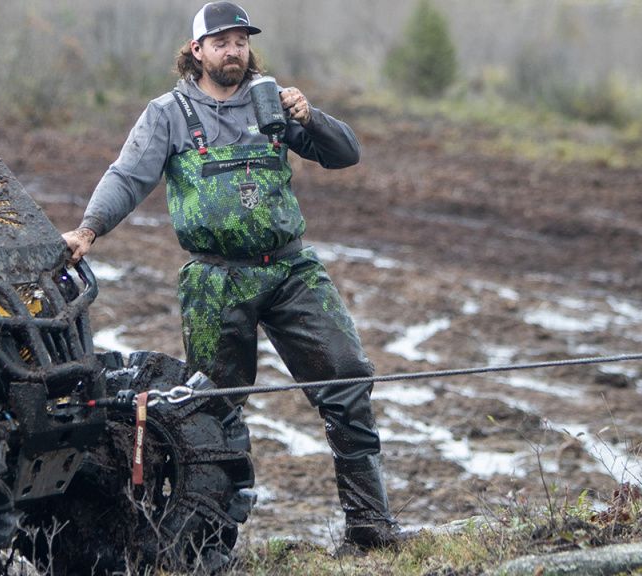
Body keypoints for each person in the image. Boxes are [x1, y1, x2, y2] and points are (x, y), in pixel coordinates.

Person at [63, 1, 404, 549]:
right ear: (196, 51)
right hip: (216, 282)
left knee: (346, 377)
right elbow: (127, 176)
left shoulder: (271, 102)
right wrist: (88, 230)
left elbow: (346, 155)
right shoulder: (168, 113)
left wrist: (310, 117)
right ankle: (208, 540)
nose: (233, 50)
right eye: (221, 42)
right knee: (211, 412)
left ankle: (369, 527)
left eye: (241, 40)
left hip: (291, 270)